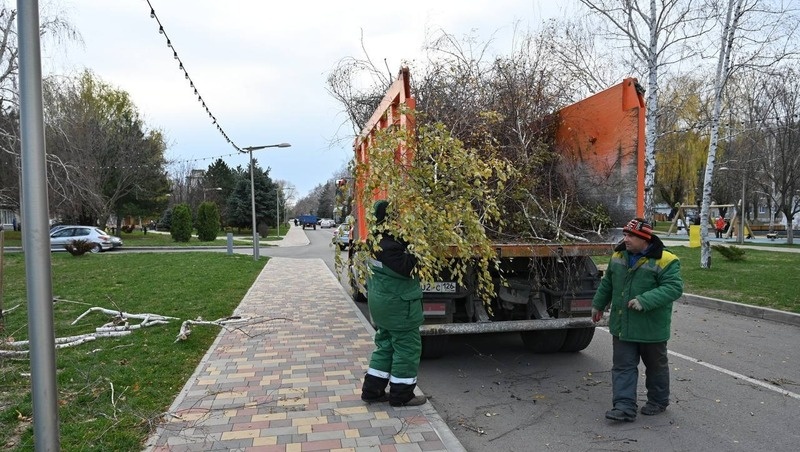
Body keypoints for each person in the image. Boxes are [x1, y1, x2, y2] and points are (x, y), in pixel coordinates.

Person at [591, 218, 683, 422]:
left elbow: (674, 288)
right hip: (622, 325)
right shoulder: (618, 255)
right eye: (625, 234)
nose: (626, 239)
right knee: (623, 366)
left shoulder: (666, 260)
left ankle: (658, 401)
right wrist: (598, 304)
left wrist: (644, 300)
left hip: (651, 328)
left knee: (656, 366)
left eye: (631, 236)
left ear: (645, 239)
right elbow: (608, 283)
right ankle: (624, 407)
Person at [360, 200, 427, 407]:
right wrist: (421, 249)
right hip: (399, 307)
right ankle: (401, 395)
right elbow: (408, 268)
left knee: (385, 346)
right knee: (407, 349)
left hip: (383, 306)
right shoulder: (389, 247)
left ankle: (372, 391)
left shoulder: (374, 241)